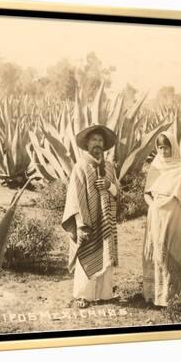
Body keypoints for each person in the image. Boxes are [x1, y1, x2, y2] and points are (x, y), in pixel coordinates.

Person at [62, 124, 120, 308]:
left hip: (106, 220)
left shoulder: (109, 167)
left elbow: (118, 192)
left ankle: (105, 294)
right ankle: (83, 295)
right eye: (94, 140)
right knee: (86, 254)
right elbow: (74, 198)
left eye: (100, 140)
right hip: (87, 220)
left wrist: (109, 185)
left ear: (104, 145)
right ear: (87, 144)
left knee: (106, 253)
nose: (97, 143)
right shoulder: (80, 167)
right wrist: (80, 223)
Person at [142, 132, 181, 307]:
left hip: (176, 216)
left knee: (176, 252)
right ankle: (158, 296)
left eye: (167, 146)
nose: (163, 151)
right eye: (160, 147)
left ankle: (176, 297)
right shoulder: (155, 165)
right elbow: (147, 193)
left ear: (173, 146)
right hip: (157, 217)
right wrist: (153, 206)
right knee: (159, 254)